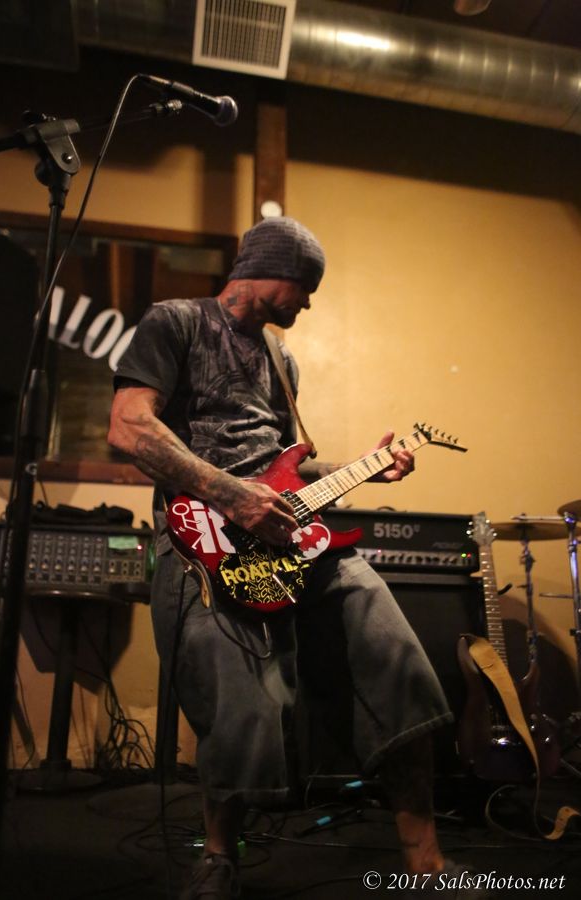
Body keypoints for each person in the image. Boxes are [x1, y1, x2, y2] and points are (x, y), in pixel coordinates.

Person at [108, 217, 485, 900]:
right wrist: (230, 494)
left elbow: (286, 469)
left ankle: (426, 862)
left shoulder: (283, 362)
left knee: (397, 660)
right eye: (305, 287)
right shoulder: (175, 322)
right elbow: (129, 425)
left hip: (292, 539)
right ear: (273, 270)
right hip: (203, 539)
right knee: (236, 697)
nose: (307, 303)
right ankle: (218, 857)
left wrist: (362, 468)